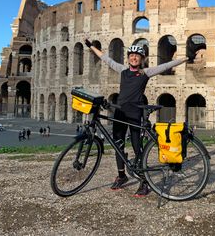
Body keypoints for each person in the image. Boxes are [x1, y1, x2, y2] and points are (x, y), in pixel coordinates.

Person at [84, 38, 205, 197]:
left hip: (136, 113)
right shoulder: (122, 70)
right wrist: (92, 47)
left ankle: (144, 182)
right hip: (120, 112)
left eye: (137, 55)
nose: (134, 57)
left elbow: (166, 65)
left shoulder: (145, 72)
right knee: (118, 145)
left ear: (142, 59)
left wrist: (184, 59)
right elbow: (106, 59)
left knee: (137, 147)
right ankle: (121, 176)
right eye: (131, 55)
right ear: (128, 58)